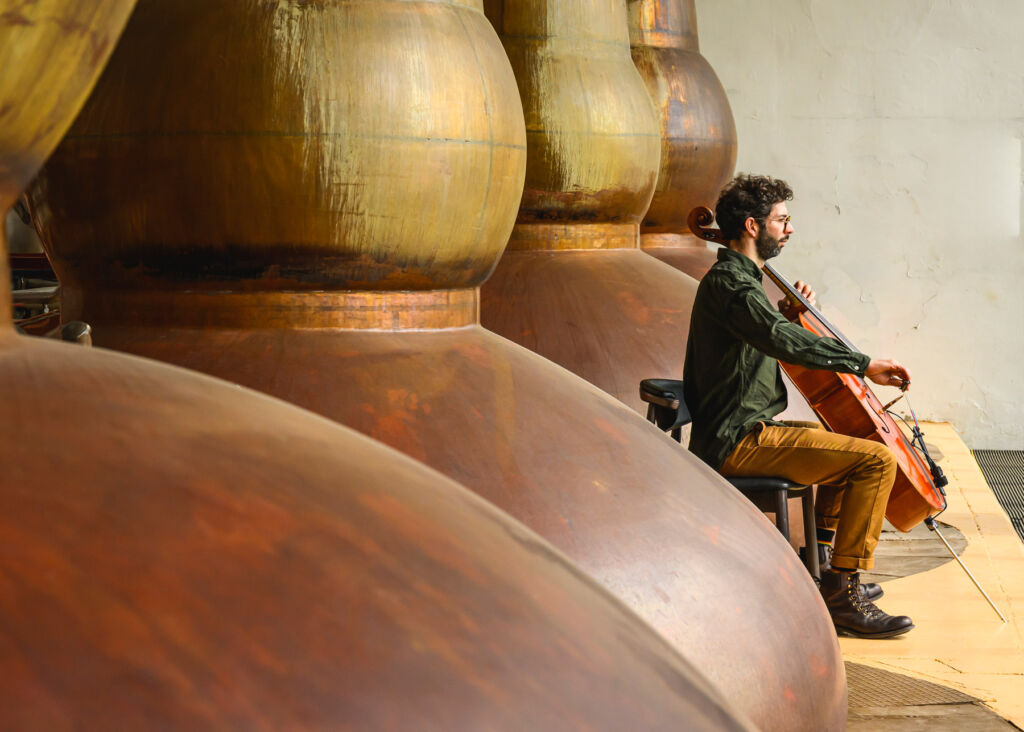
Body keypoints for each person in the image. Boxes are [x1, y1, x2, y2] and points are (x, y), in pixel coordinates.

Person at [683, 173, 914, 638]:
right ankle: (843, 592)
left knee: (848, 448)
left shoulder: (741, 283)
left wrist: (787, 314)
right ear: (752, 226)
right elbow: (778, 340)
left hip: (751, 428)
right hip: (738, 439)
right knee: (875, 461)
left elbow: (764, 334)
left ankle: (824, 565)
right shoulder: (733, 284)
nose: (788, 230)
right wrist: (862, 363)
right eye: (781, 221)